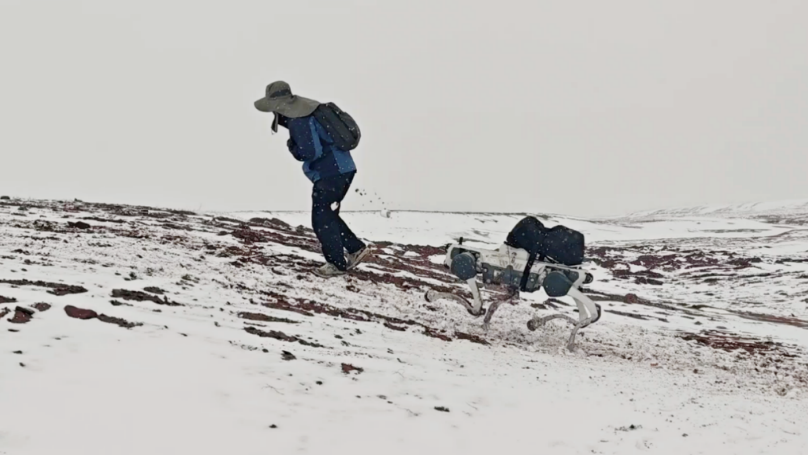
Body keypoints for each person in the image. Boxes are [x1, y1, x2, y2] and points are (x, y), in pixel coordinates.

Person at [254, 81, 371, 278]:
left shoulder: (299, 119)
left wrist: (292, 146)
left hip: (331, 173)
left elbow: (310, 151)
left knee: (321, 219)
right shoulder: (307, 111)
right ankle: (355, 248)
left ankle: (336, 264)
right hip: (342, 170)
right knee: (327, 214)